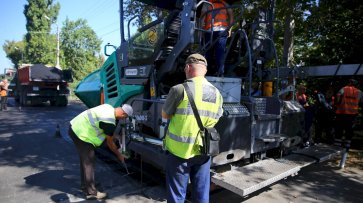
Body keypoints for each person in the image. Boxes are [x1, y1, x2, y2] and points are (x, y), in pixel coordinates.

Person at [162, 53, 223, 203]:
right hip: (204, 150)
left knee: (177, 196)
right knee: (201, 195)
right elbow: (217, 117)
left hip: (179, 153)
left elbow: (165, 115)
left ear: (188, 67)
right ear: (205, 71)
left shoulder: (179, 89)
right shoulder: (217, 93)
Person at [68, 103, 133, 200]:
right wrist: (119, 154)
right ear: (123, 114)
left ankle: (86, 184)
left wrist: (113, 136)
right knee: (89, 162)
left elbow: (104, 129)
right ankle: (91, 192)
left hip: (76, 127)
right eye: (124, 118)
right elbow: (110, 143)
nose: (122, 119)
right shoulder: (109, 121)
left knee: (85, 161)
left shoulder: (108, 107)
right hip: (82, 134)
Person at [201, 0, 234, 76]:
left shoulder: (206, 3)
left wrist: (200, 31)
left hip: (209, 31)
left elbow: (202, 18)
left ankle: (206, 72)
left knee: (207, 52)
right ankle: (220, 73)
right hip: (222, 31)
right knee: (220, 52)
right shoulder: (224, 3)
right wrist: (230, 28)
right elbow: (231, 14)